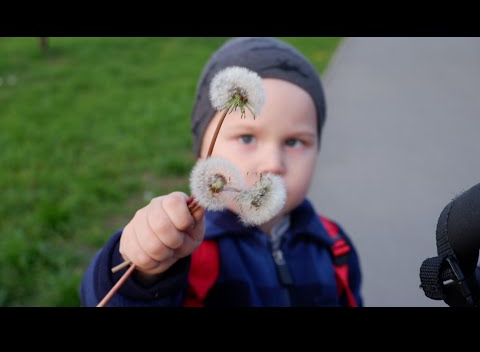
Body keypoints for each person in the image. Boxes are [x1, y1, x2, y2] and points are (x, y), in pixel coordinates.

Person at [80, 37, 363, 307]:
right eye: (247, 138)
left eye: (294, 142)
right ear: (204, 150)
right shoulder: (184, 248)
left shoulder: (334, 247)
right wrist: (145, 267)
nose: (273, 163)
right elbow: (101, 298)